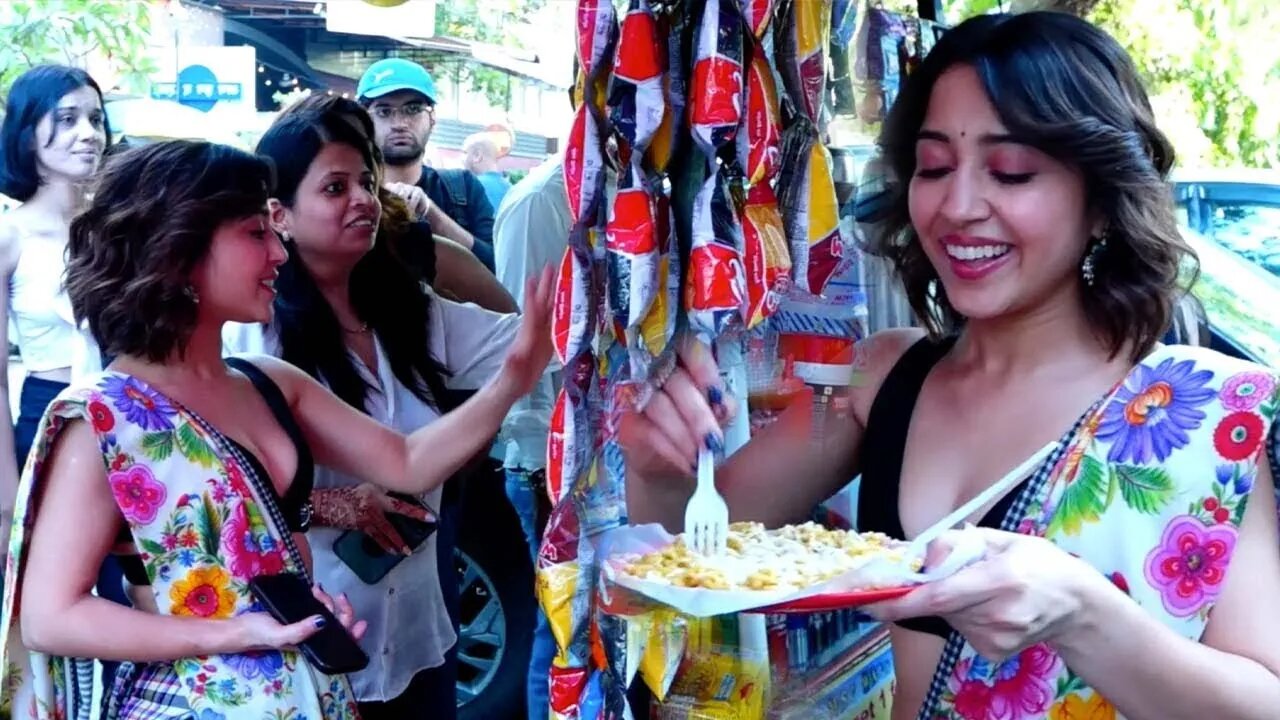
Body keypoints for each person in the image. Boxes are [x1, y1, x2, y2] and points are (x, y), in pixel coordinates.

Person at [619, 13, 1280, 720]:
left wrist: (1085, 616)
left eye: (1013, 172)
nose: (958, 207)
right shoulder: (874, 379)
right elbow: (690, 550)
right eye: (934, 168)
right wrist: (663, 468)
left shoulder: (1209, 412)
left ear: (1101, 202)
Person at [0, 139, 553, 719]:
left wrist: (514, 376)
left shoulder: (265, 381)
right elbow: (49, 617)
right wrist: (233, 633)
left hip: (307, 693)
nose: (279, 253)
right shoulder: (102, 421)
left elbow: (408, 462)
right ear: (179, 252)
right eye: (254, 233)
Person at [226, 95, 551, 718]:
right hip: (316, 641)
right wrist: (334, 505)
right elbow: (223, 488)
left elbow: (533, 342)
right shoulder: (252, 332)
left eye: (367, 182)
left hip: (420, 631)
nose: (363, 200)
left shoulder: (411, 311)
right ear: (280, 215)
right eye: (335, 187)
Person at [0, 65, 108, 555]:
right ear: (26, 135)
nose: (87, 134)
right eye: (66, 119)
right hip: (50, 414)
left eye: (95, 118)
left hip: (131, 412)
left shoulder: (123, 227)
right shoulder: (9, 237)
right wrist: (5, 497)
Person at [357, 58, 497, 271]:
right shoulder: (352, 195)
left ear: (432, 118)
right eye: (384, 111)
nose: (399, 124)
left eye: (412, 109)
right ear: (364, 122)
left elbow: (498, 266)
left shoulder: (463, 189)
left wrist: (431, 214)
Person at [462, 132, 511, 211]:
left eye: (465, 153)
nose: (461, 159)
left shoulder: (469, 186)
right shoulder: (511, 189)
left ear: (477, 155)